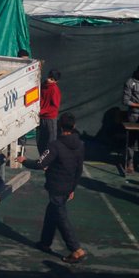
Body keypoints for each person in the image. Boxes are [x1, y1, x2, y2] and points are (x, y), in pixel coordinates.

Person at [20, 112, 86, 263]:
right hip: (68, 185)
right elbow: (79, 169)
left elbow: (40, 163)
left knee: (61, 217)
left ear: (59, 126)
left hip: (56, 185)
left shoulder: (55, 145)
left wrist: (24, 160)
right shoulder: (80, 145)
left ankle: (76, 249)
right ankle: (45, 242)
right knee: (52, 212)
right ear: (74, 126)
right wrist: (72, 189)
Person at [38, 69, 61, 156]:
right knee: (41, 140)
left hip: (50, 118)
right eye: (49, 77)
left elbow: (55, 106)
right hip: (41, 117)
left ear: (56, 81)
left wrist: (42, 111)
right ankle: (42, 159)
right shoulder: (43, 86)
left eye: (52, 79)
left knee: (51, 141)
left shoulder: (54, 90)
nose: (49, 80)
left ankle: (50, 160)